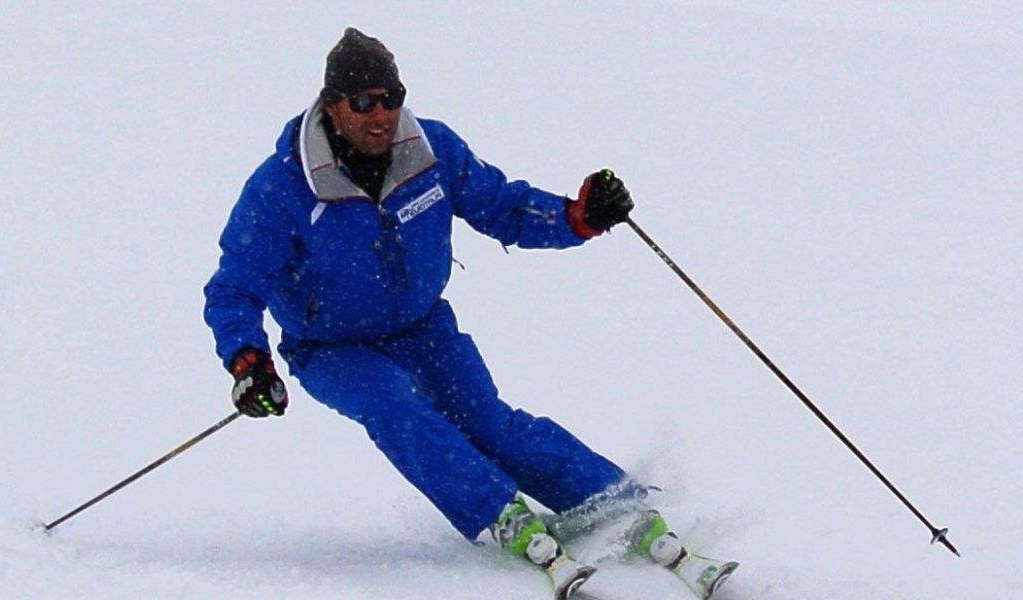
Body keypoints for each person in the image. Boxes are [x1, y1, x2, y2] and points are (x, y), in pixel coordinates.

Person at [204, 28, 735, 598]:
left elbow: (503, 207)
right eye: (363, 102)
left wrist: (578, 217)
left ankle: (618, 506)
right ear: (333, 106)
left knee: (488, 422)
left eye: (392, 97)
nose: (380, 115)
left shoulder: (431, 153)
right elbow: (234, 288)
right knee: (395, 407)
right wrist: (249, 361)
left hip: (423, 326)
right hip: (331, 347)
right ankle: (501, 515)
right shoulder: (282, 187)